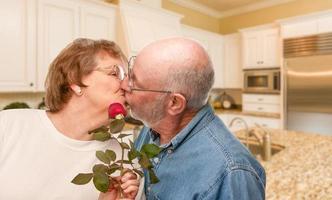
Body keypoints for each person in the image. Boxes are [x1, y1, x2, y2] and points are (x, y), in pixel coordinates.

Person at [121, 37, 266, 200]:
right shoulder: (151, 128)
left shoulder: (232, 174)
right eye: (129, 73)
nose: (124, 84)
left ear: (174, 103)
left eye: (134, 82)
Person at [0, 38, 141, 200]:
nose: (127, 85)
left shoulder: (123, 161)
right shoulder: (7, 127)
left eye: (127, 77)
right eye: (115, 73)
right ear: (75, 81)